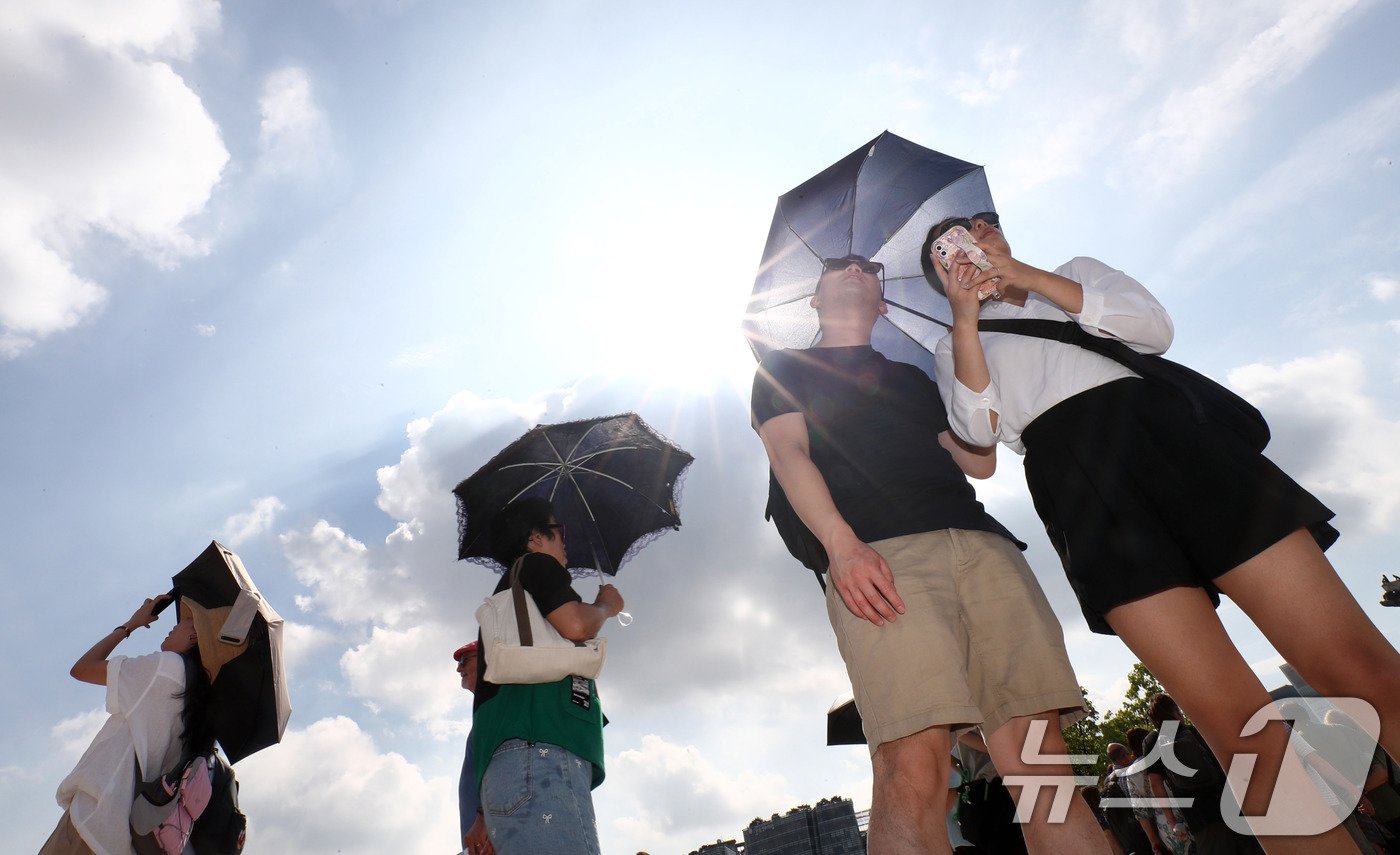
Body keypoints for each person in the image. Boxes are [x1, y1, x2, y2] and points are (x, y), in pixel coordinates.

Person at [924, 211, 1400, 853]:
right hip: (1081, 490)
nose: (972, 239)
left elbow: (1152, 329)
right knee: (1235, 728)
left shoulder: (1073, 274)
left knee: (1355, 665)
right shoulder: (952, 345)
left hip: (1173, 445)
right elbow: (978, 433)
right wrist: (964, 321)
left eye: (981, 226)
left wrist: (1024, 278)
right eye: (948, 246)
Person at [751, 253, 1108, 854]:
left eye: (868, 267)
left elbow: (979, 458)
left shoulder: (915, 378)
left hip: (984, 548)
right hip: (882, 557)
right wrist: (842, 546)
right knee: (911, 765)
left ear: (883, 304)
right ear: (814, 299)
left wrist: (966, 326)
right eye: (838, 266)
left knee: (1043, 770)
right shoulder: (783, 369)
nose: (855, 268)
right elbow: (789, 455)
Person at [470, 497, 624, 855]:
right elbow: (575, 624)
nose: (564, 541)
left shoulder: (511, 602)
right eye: (559, 532)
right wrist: (606, 607)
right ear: (535, 538)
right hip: (541, 752)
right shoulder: (538, 565)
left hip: (509, 765)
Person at [41, 594, 212, 855]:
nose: (175, 625)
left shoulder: (166, 668)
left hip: (94, 821)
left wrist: (129, 626)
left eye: (186, 622)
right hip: (124, 840)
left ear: (196, 637)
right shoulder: (194, 702)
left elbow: (82, 669)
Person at [455, 641, 493, 855]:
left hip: (494, 838)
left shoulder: (498, 709)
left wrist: (485, 820)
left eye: (464, 660)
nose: (458, 668)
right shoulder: (483, 716)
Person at [1104, 741, 1155, 854]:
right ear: (1123, 757)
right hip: (1146, 828)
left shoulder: (1107, 781)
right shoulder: (1130, 774)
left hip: (1129, 835)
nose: (1131, 756)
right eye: (1127, 753)